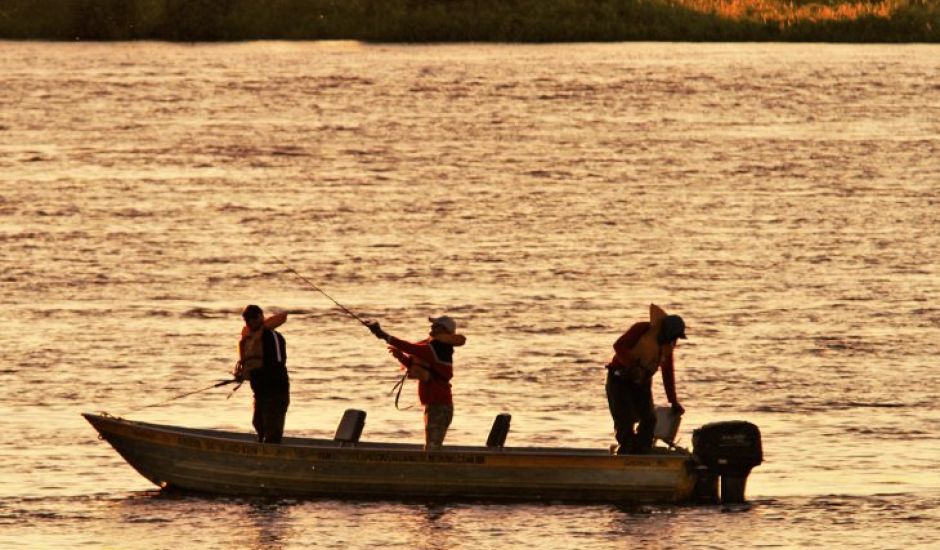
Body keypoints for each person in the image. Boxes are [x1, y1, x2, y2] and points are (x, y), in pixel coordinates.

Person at [367, 316, 466, 450]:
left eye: (435, 325)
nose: (431, 327)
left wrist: (382, 334)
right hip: (434, 405)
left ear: (443, 329)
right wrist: (401, 357)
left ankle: (433, 470)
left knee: (432, 448)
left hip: (439, 406)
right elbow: (417, 364)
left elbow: (409, 347)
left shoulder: (438, 349)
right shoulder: (434, 348)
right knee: (431, 446)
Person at [605, 304, 686, 455]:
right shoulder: (641, 329)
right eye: (673, 336)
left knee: (649, 418)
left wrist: (673, 401)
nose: (674, 340)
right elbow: (619, 345)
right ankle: (627, 450)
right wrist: (632, 366)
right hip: (619, 379)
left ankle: (643, 449)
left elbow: (667, 372)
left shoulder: (668, 346)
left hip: (642, 382)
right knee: (624, 418)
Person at [233, 305, 290, 444]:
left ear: (260, 317)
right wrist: (243, 374)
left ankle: (272, 458)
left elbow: (277, 364)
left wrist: (255, 374)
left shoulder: (273, 337)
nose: (250, 322)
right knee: (258, 423)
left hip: (276, 392)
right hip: (260, 393)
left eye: (253, 318)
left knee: (272, 432)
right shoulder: (249, 339)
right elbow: (250, 364)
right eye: (247, 319)